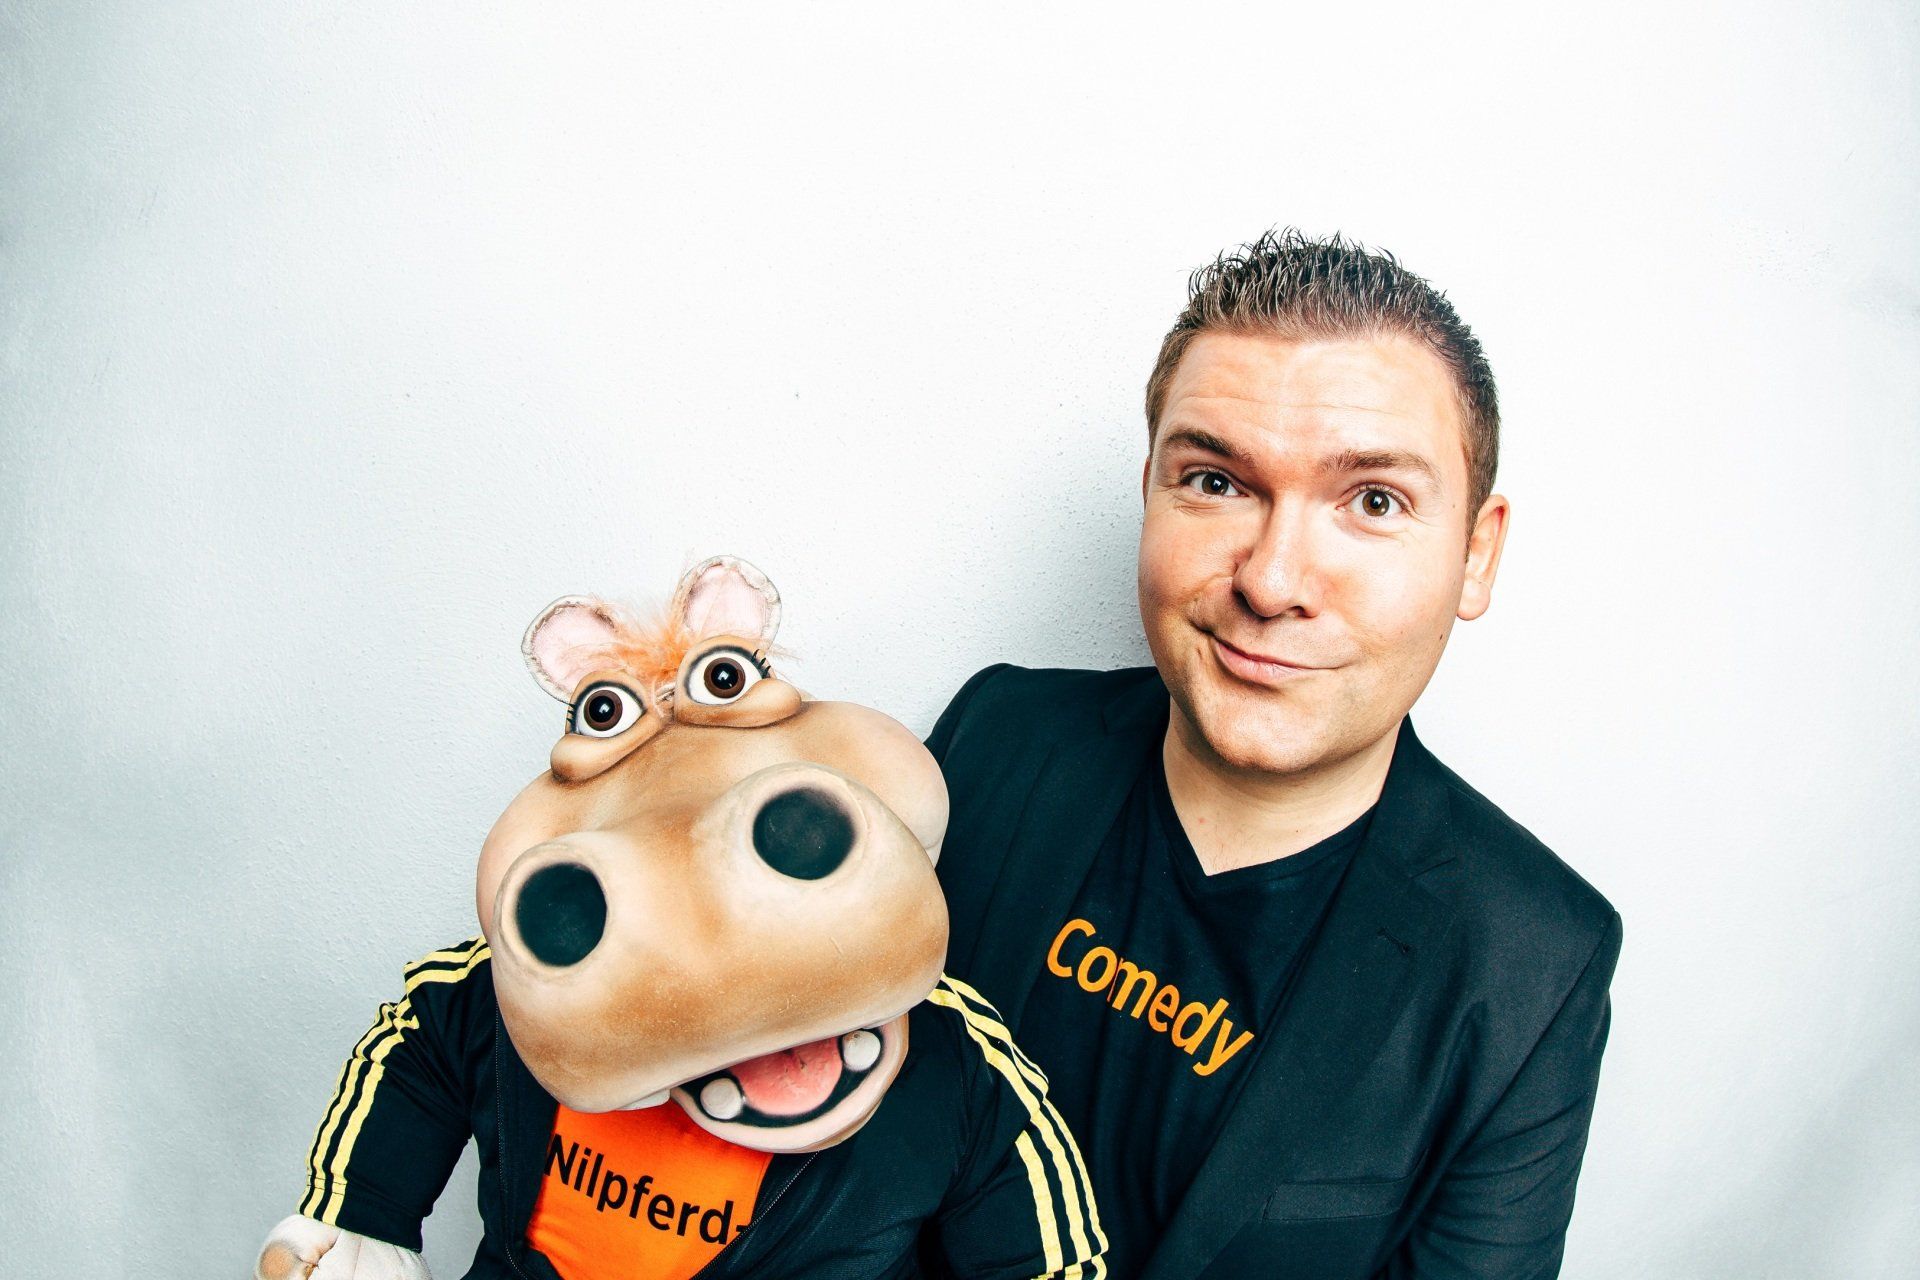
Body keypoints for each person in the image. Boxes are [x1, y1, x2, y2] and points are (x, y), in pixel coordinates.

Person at [922, 229, 1622, 1280]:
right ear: (1151, 490)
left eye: (1373, 501)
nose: (1272, 580)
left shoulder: (1533, 961)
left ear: (1476, 553)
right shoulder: (995, 736)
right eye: (1215, 481)